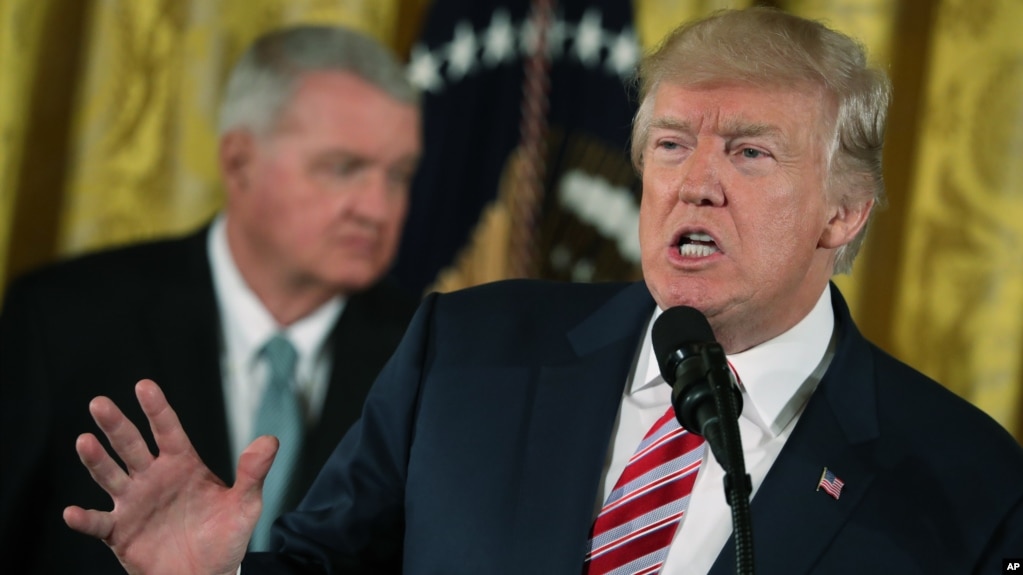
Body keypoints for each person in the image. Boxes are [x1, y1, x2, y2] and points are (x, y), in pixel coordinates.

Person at [61, 7, 1023, 574]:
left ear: (844, 211)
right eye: (672, 143)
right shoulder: (466, 350)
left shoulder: (964, 478)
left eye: (750, 151)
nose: (695, 181)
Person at [0, 24, 421, 574]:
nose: (378, 208)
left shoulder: (425, 355)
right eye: (344, 168)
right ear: (239, 162)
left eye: (400, 175)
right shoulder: (62, 319)